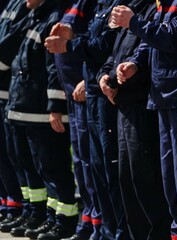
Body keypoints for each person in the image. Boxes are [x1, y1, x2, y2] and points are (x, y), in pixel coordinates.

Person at [109, 0, 177, 238]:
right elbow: (150, 43)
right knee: (170, 180)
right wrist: (134, 63)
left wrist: (133, 21)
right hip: (162, 98)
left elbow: (172, 38)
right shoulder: (164, 4)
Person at [45, 0, 131, 238]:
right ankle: (104, 230)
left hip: (105, 97)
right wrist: (73, 36)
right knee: (95, 169)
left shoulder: (116, 5)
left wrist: (70, 44)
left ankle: (117, 233)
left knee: (110, 171)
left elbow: (105, 46)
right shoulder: (101, 5)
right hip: (93, 94)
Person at [99, 1, 173, 239]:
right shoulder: (133, 8)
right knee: (127, 179)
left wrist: (122, 77)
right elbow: (115, 53)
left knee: (145, 178)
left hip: (141, 104)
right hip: (123, 104)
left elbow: (146, 52)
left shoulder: (151, 10)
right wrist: (106, 77)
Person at [6, 0, 79, 238]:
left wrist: (55, 106)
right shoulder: (34, 17)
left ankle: (63, 220)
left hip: (40, 110)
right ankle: (39, 214)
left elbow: (53, 68)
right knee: (33, 167)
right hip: (24, 105)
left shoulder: (52, 18)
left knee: (53, 168)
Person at [51, 1, 99, 239]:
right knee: (81, 164)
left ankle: (98, 226)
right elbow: (56, 55)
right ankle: (88, 223)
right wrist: (56, 103)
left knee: (93, 165)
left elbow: (98, 43)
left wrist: (86, 79)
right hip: (72, 96)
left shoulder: (92, 4)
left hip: (87, 93)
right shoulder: (66, 4)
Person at [0, 0, 29, 228]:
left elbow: (9, 44)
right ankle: (10, 203)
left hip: (10, 90)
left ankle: (18, 205)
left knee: (15, 154)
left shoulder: (21, 6)